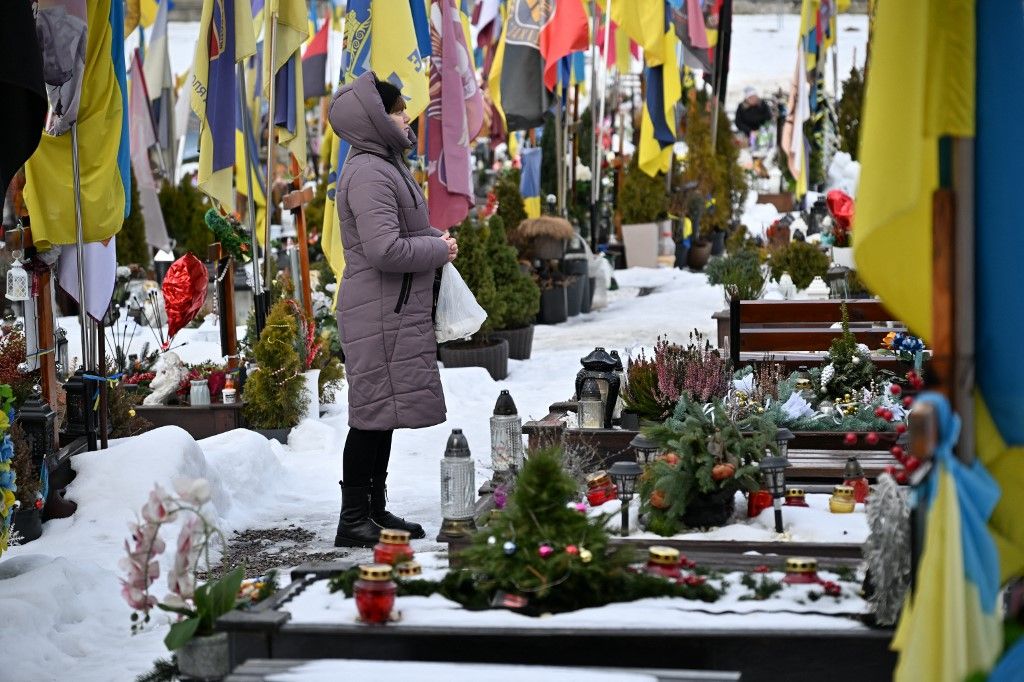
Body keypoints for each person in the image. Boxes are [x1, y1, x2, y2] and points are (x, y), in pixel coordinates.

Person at [328, 71, 458, 548]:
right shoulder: (369, 173)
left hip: (389, 310)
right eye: (399, 108)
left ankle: (373, 510)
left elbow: (397, 235)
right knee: (368, 418)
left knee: (380, 414)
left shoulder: (382, 165)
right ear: (375, 117)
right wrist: (436, 252)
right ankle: (353, 517)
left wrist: (433, 240)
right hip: (377, 313)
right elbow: (384, 251)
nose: (407, 115)